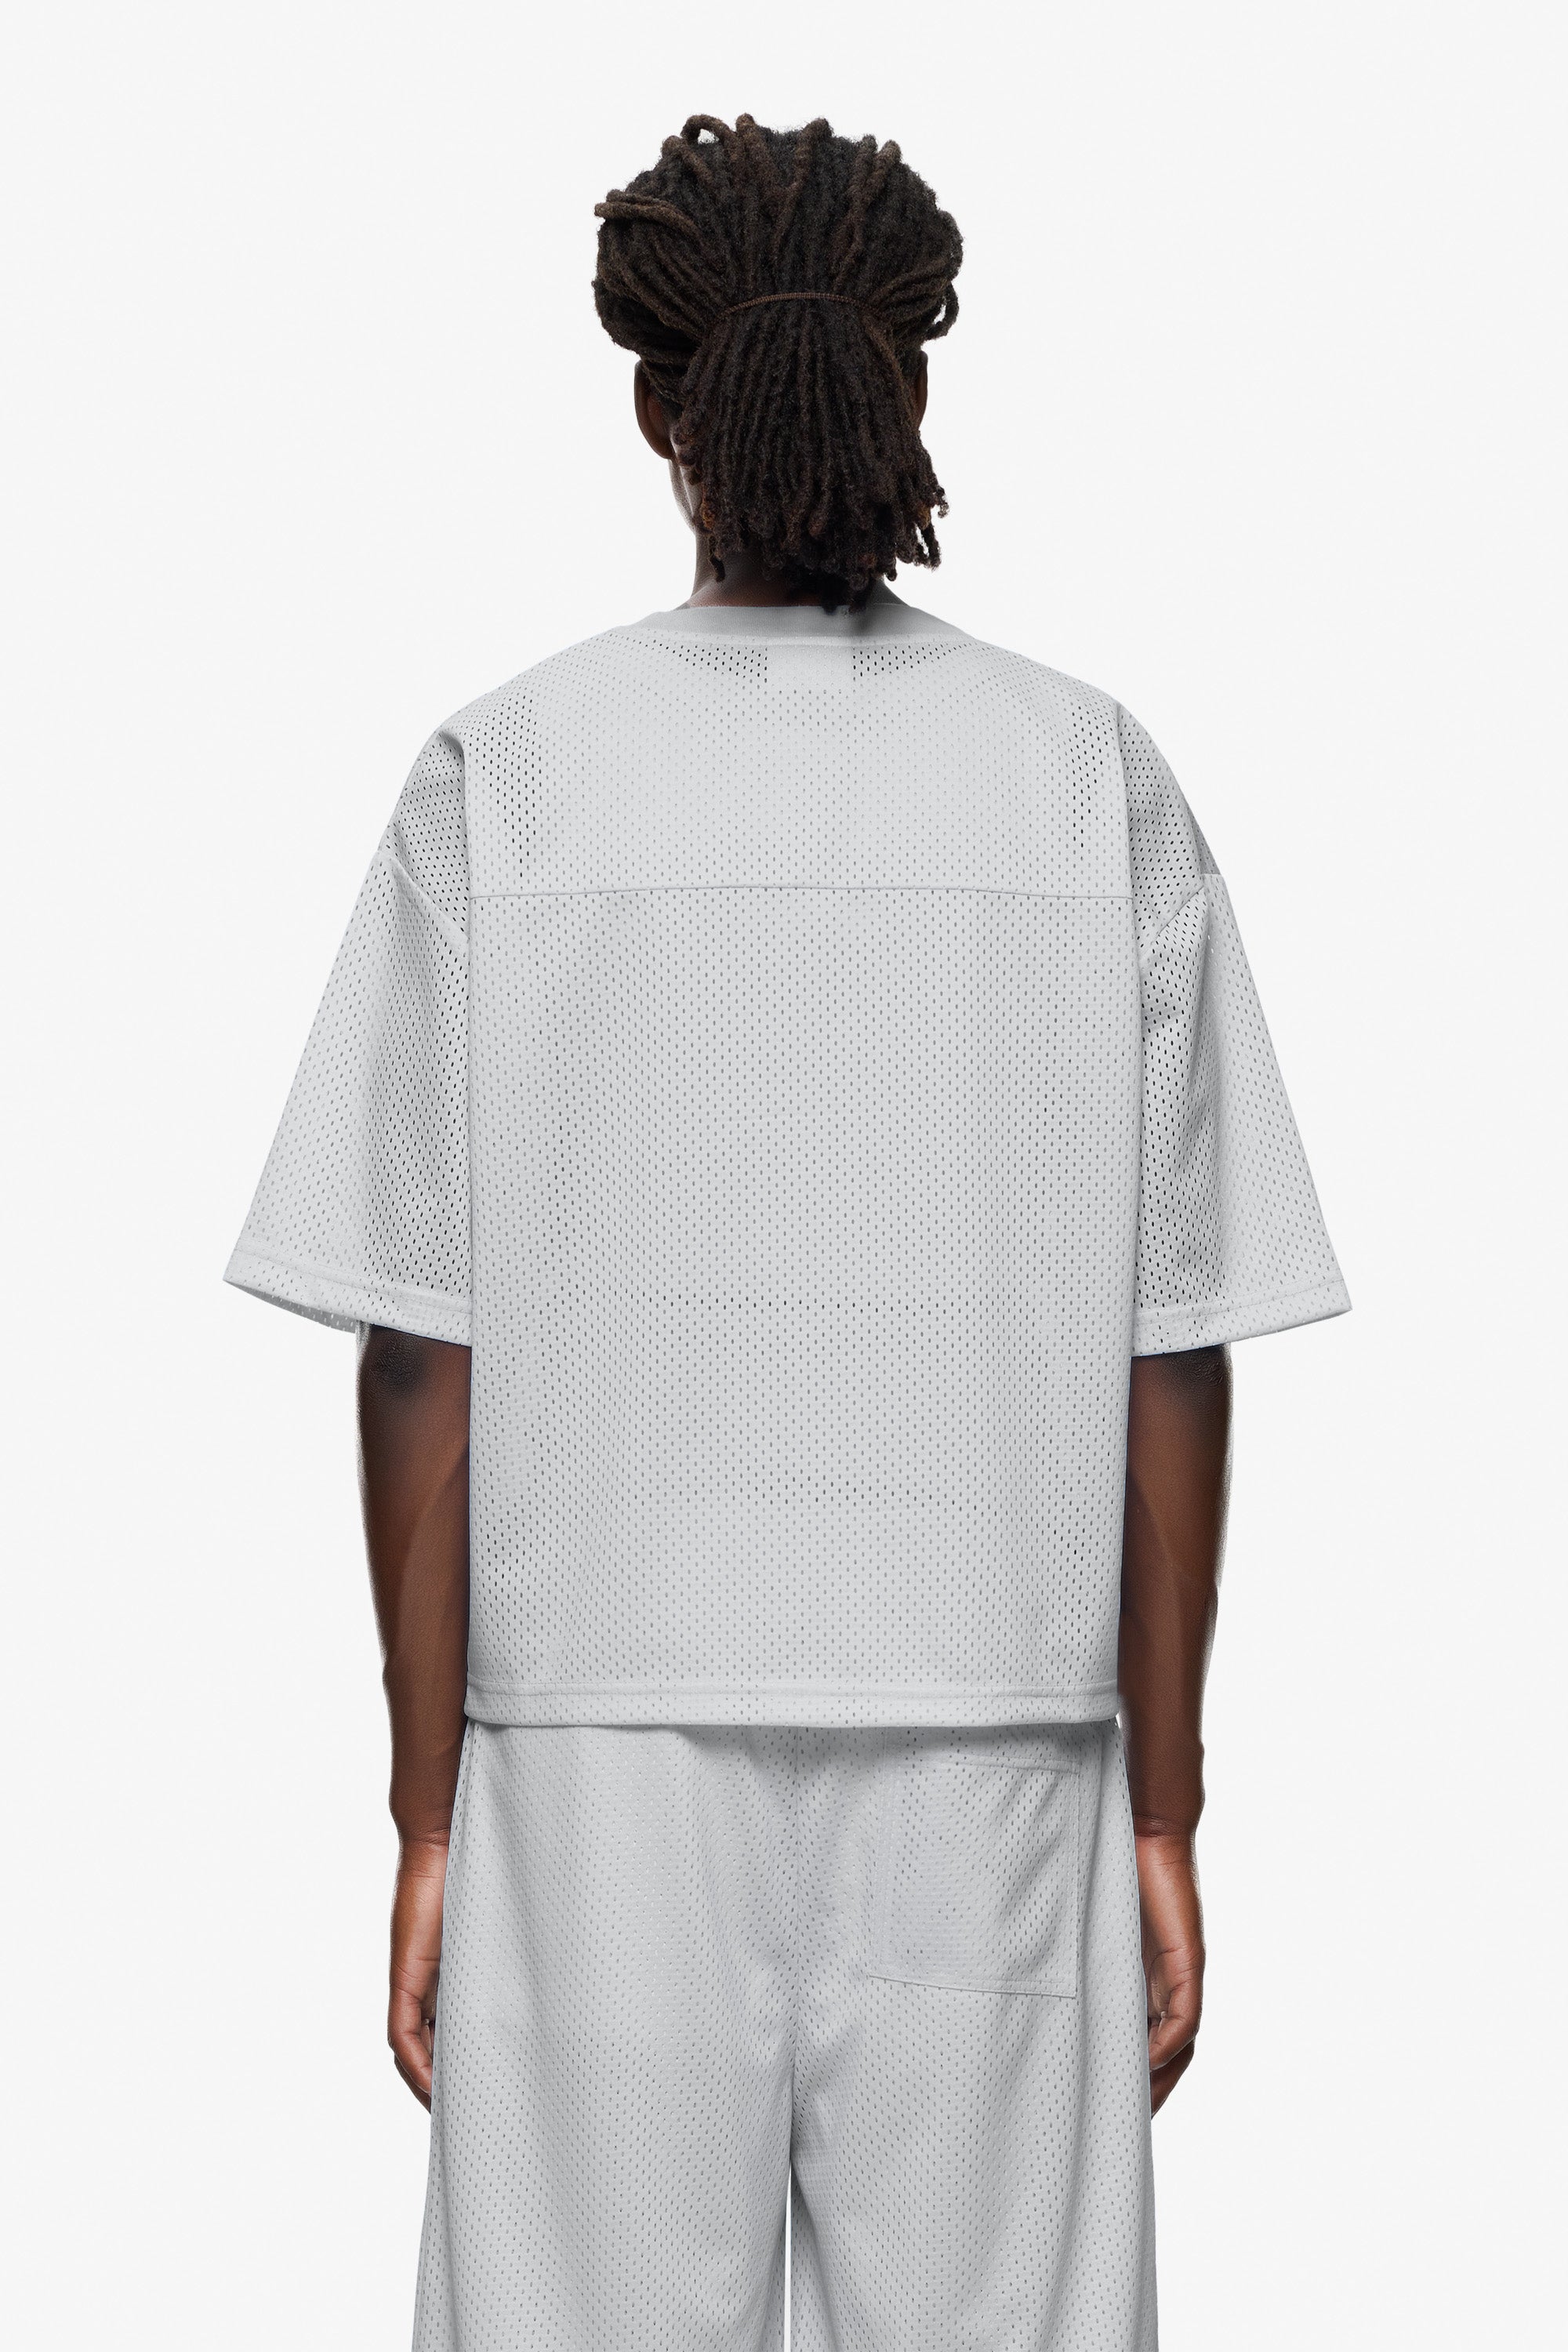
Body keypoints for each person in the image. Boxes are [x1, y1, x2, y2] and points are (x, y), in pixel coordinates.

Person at [227, 114, 1348, 2352]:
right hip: (1000, 1740)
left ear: (657, 411)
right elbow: (1173, 1346)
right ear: (909, 386)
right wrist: (1167, 1802)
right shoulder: (1083, 774)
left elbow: (420, 1350)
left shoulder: (508, 773)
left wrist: (427, 1816)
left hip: (595, 1751)